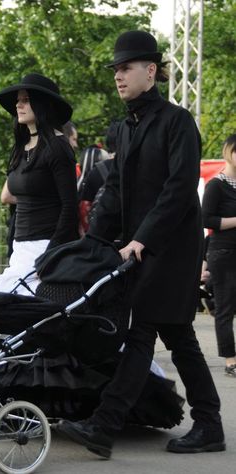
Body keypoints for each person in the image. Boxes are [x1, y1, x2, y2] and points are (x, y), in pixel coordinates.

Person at [55, 30, 224, 458]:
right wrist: (91, 242)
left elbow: (180, 189)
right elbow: (114, 189)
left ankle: (104, 425)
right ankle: (209, 423)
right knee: (179, 336)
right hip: (140, 248)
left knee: (143, 331)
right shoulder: (125, 129)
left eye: (126, 68)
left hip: (172, 248)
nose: (118, 76)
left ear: (151, 71)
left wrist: (141, 239)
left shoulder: (177, 121)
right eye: (115, 69)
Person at [0, 73, 79, 294]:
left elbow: (70, 207)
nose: (18, 105)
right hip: (20, 248)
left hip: (45, 247)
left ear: (42, 104)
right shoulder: (22, 148)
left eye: (26, 100)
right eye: (18, 100)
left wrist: (51, 254)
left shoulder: (58, 147)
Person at [202, 134, 236, 376]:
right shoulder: (216, 185)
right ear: (228, 152)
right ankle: (230, 360)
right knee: (225, 308)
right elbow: (206, 219)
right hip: (224, 252)